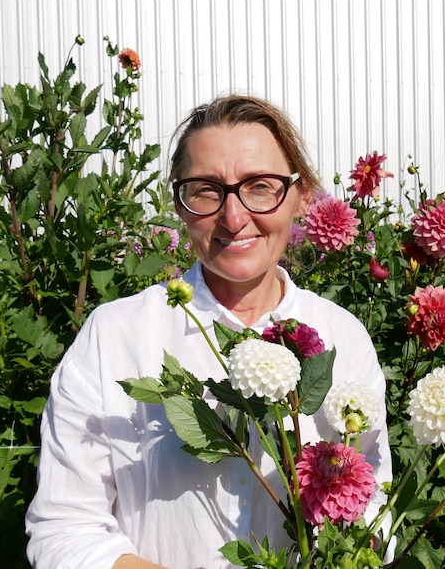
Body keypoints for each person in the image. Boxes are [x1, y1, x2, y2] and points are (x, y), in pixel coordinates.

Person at [25, 95, 392, 569]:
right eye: (205, 190)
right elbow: (64, 531)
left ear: (299, 196)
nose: (234, 217)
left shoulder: (343, 337)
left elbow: (374, 510)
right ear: (179, 203)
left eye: (260, 186)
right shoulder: (114, 336)